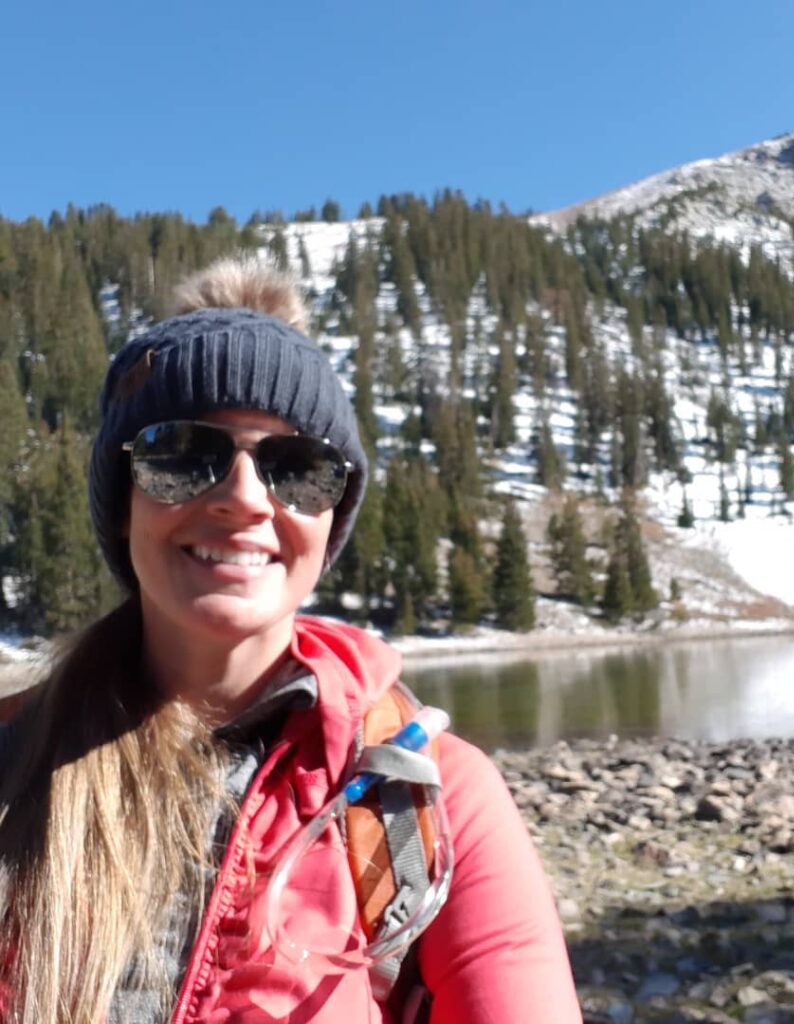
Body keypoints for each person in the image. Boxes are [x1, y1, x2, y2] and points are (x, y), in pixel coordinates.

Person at [0, 259, 582, 1024]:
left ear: (329, 520)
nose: (243, 498)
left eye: (298, 468)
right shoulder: (12, 764)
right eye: (182, 455)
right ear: (123, 502)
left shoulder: (431, 799)